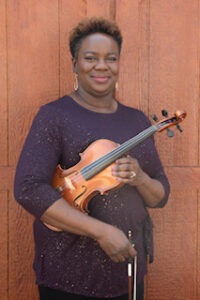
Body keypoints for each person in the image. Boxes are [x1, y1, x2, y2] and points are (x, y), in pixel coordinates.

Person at [14, 17, 170, 300]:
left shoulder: (136, 121)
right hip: (67, 276)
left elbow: (159, 196)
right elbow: (28, 188)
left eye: (111, 58)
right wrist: (101, 231)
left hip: (129, 271)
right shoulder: (54, 116)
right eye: (90, 58)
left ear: (118, 63)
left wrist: (141, 178)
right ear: (75, 64)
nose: (102, 66)